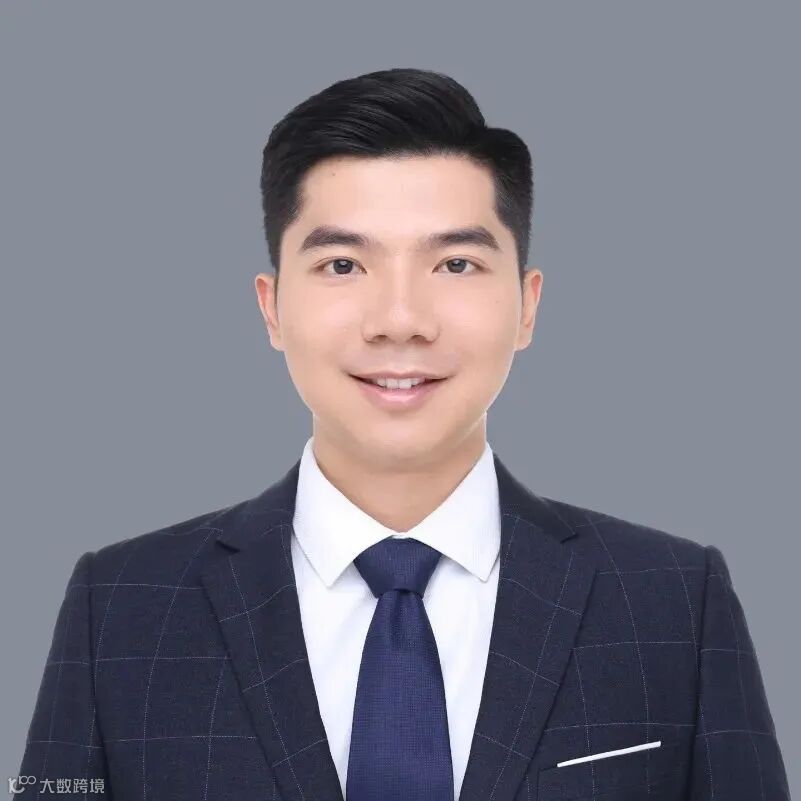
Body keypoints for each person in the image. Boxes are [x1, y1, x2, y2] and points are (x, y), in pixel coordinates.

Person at [16, 68, 789, 801]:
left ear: (526, 305)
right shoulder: (118, 605)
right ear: (271, 307)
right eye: (342, 265)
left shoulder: (672, 600)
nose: (399, 321)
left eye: (454, 264)